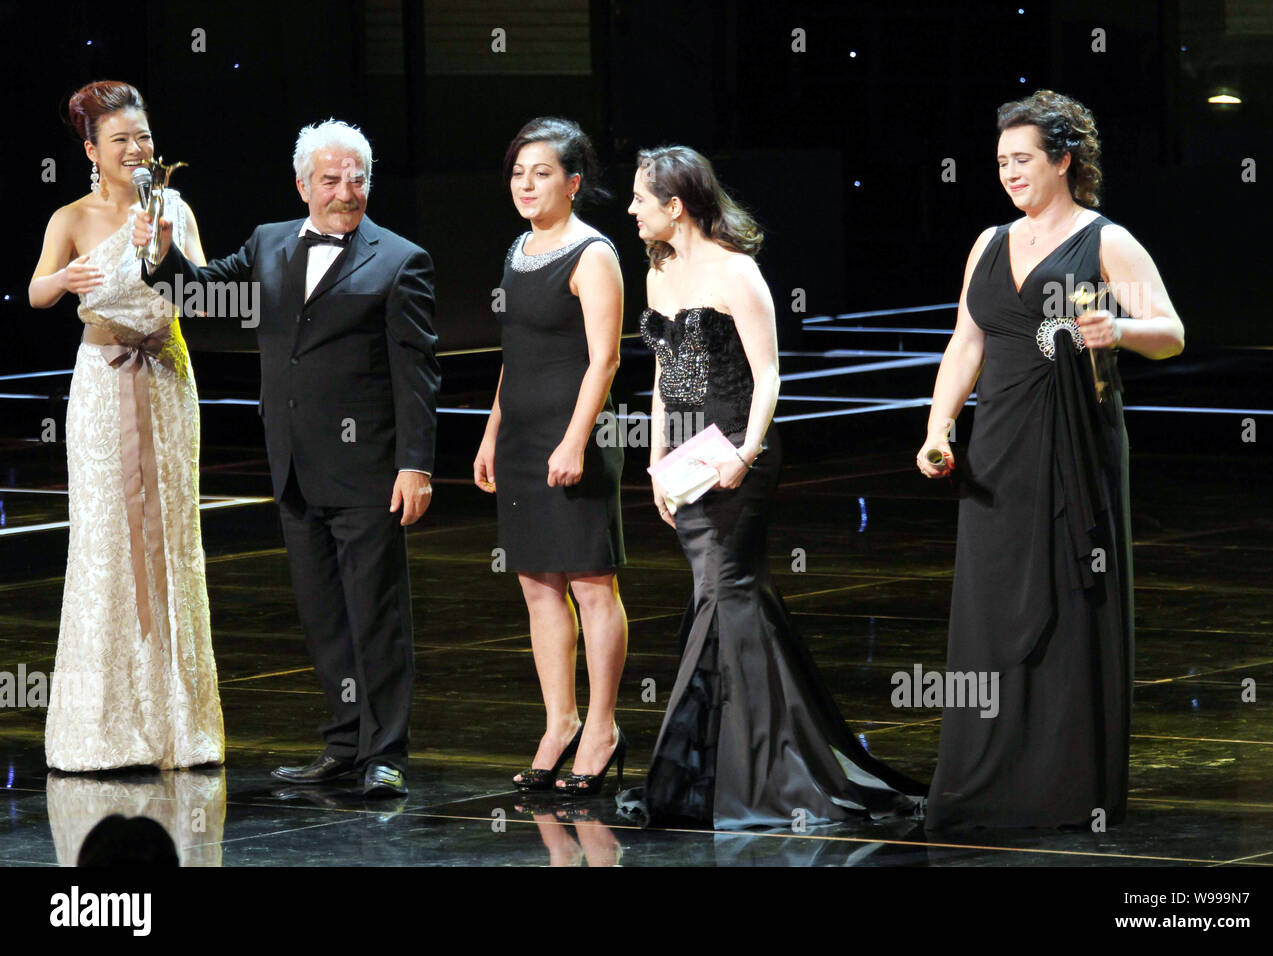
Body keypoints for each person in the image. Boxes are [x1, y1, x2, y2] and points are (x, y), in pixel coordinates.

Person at [617, 146, 927, 828]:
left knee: (724, 590)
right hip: (689, 457)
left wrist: (746, 453)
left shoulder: (737, 272)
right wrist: (655, 457)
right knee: (732, 597)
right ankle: (742, 760)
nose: (632, 210)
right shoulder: (659, 273)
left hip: (738, 453)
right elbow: (670, 382)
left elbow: (770, 375)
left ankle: (760, 766)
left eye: (642, 198)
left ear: (676, 205)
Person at [135, 119, 440, 798]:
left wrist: (415, 463)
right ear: (303, 184)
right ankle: (343, 742)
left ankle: (386, 751)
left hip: (368, 471)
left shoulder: (399, 259)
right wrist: (162, 257)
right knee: (323, 613)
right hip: (294, 466)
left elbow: (416, 373)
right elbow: (198, 297)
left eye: (357, 177)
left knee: (376, 613)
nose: (346, 191)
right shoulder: (270, 242)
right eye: (331, 180)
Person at [917, 90, 1184, 829]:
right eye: (1001, 161)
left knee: (1070, 600)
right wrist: (939, 427)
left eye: (1023, 159)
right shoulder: (989, 242)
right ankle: (986, 777)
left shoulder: (1105, 240)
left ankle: (1063, 786)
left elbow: (1171, 331)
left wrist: (1119, 330)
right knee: (992, 609)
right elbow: (966, 343)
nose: (1009, 173)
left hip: (1073, 444)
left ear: (1064, 159)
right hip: (996, 448)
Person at [29, 80, 223, 772]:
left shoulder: (173, 206)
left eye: (142, 137)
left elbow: (205, 294)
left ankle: (179, 728)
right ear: (92, 150)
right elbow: (36, 290)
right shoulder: (72, 216)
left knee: (172, 537)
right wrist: (68, 279)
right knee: (108, 539)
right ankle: (104, 730)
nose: (137, 150)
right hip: (103, 385)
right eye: (121, 140)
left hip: (168, 376)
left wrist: (166, 248)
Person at [473, 117, 628, 795]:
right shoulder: (519, 248)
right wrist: (491, 430)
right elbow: (517, 357)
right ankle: (557, 722)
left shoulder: (592, 254)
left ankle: (602, 727)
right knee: (539, 587)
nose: (527, 185)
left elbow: (605, 360)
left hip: (578, 438)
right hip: (521, 440)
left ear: (573, 181)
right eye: (517, 173)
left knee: (592, 586)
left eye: (541, 173)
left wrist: (572, 439)